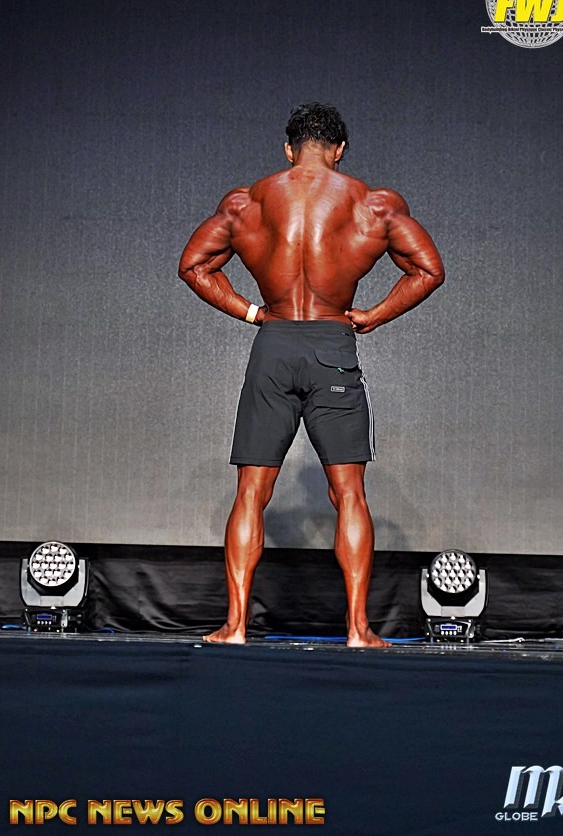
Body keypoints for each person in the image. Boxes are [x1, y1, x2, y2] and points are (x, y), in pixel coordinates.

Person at [178, 103, 444, 647]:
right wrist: (374, 315)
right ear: (340, 149)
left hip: (273, 346)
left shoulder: (247, 203)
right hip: (332, 347)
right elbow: (428, 269)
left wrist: (253, 313)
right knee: (349, 494)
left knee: (251, 492)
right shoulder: (373, 205)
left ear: (288, 148)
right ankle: (358, 630)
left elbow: (193, 265)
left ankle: (235, 627)